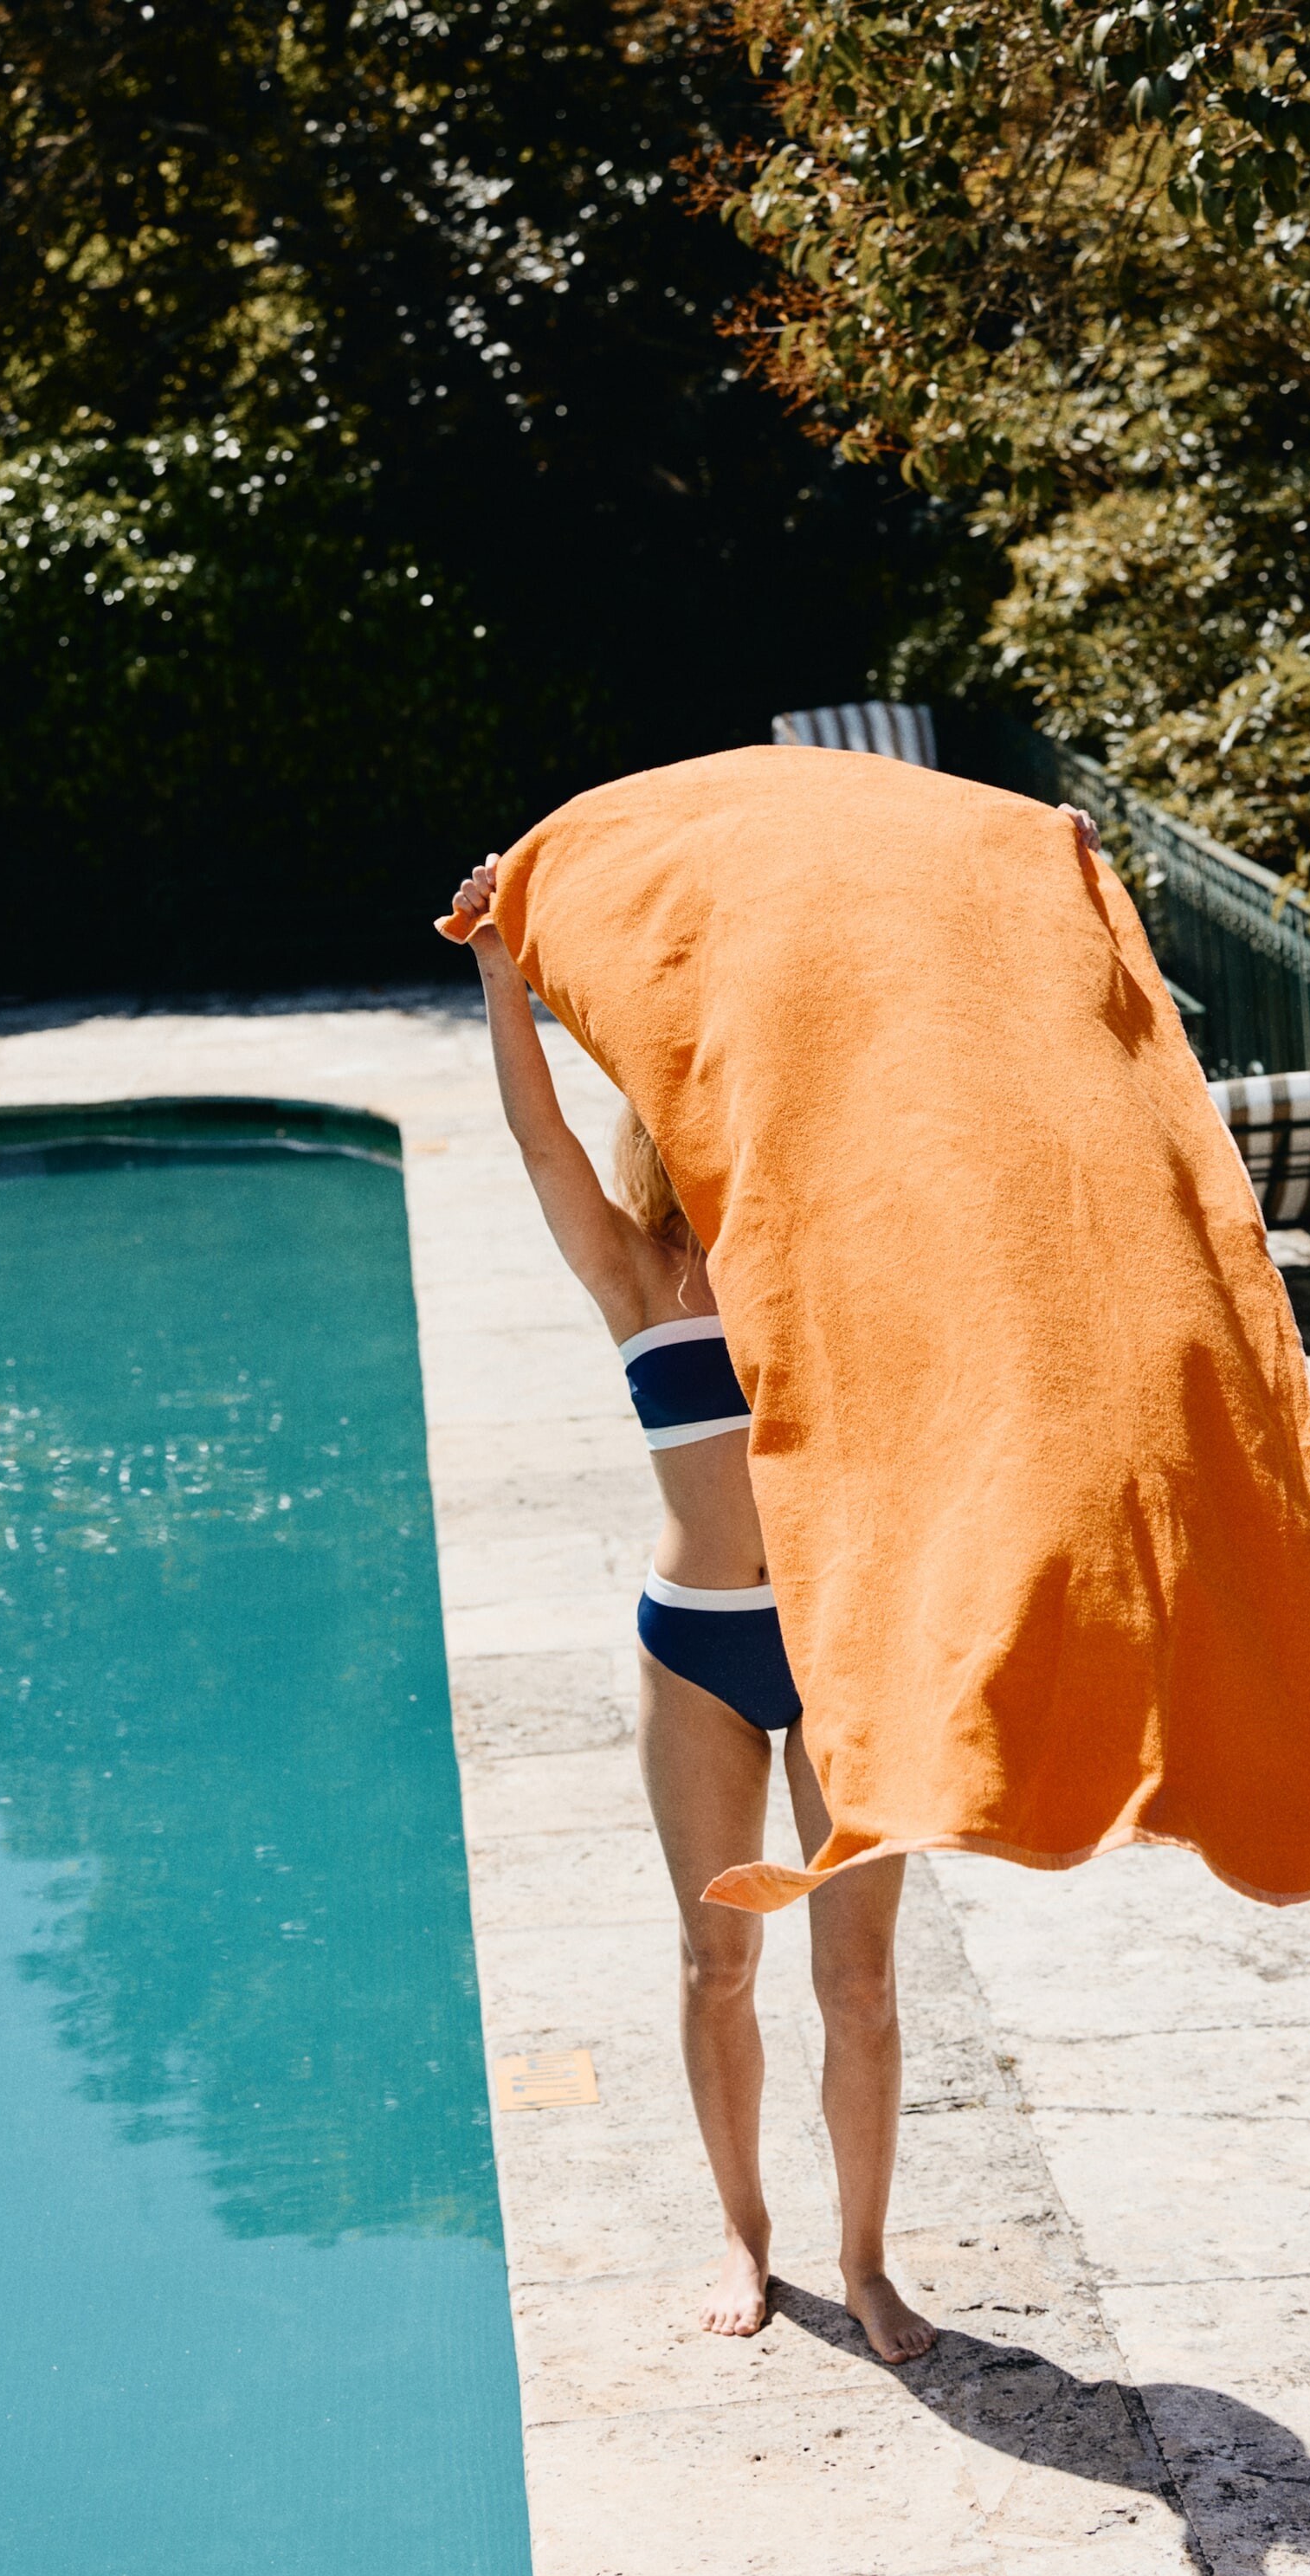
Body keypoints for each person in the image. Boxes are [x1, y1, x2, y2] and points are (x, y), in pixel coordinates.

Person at [441, 855, 935, 2366]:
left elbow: (936, 1104)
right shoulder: (633, 1272)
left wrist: (1031, 919)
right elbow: (537, 1140)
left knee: (859, 1982)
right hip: (697, 1652)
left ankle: (865, 2261)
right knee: (717, 1963)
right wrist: (501, 967)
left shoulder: (832, 1260)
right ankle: (744, 2232)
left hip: (845, 1649)